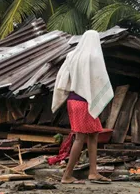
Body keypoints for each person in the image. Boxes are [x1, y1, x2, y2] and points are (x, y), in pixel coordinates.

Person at [51, 30, 114, 184]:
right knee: (80, 137)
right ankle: (67, 176)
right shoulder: (94, 57)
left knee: (93, 135)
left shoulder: (72, 56)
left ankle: (93, 172)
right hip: (85, 101)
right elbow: (99, 79)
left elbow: (62, 77)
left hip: (73, 101)